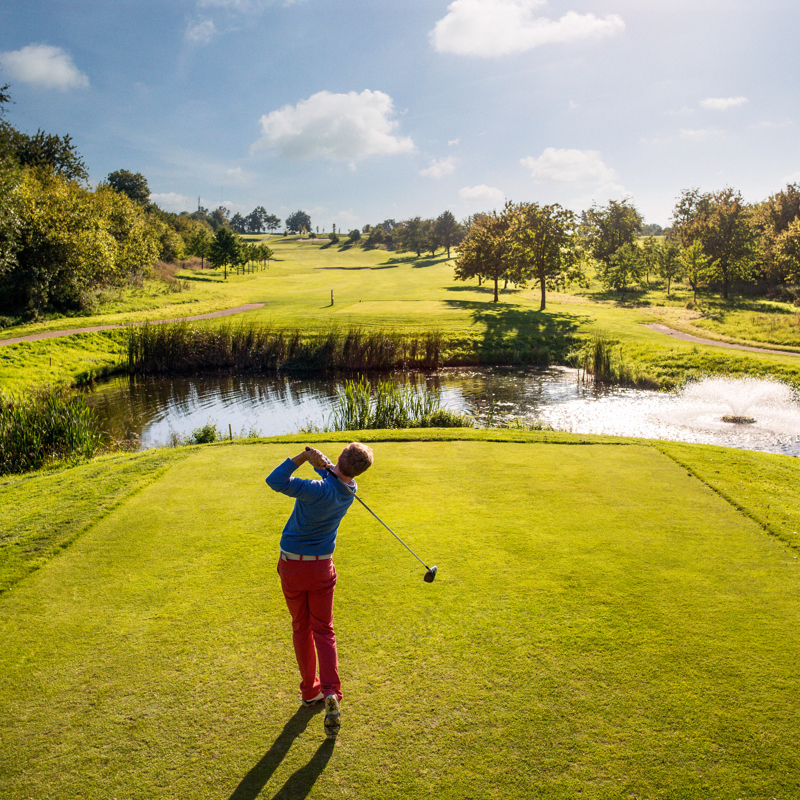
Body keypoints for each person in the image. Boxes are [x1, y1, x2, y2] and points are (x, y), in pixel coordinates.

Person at [265, 442, 374, 739]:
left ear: (339, 457)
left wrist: (302, 457)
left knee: (301, 627)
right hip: (322, 567)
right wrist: (320, 463)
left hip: (292, 567)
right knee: (324, 630)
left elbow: (274, 481)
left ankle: (311, 691)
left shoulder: (314, 490)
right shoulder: (349, 491)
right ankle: (331, 691)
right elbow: (334, 478)